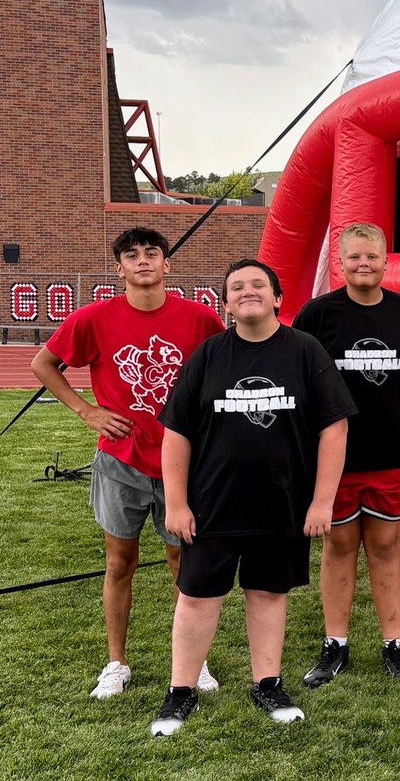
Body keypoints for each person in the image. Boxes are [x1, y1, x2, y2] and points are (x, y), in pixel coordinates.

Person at [149, 259, 355, 736]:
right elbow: (176, 433)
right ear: (225, 303)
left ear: (278, 297)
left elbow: (334, 427)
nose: (248, 292)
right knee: (197, 597)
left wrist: (322, 502)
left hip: (282, 504)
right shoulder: (208, 355)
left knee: (267, 593)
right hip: (212, 505)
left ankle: (267, 683)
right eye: (236, 287)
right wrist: (176, 503)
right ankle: (181, 692)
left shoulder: (305, 352)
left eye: (258, 285)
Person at [31, 227, 225, 700]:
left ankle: (191, 660)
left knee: (183, 560)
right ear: (118, 269)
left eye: (152, 253)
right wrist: (87, 410)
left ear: (167, 264)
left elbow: (227, 366)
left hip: (183, 462)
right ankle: (116, 662)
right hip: (121, 460)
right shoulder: (94, 318)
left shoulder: (198, 318)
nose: (143, 261)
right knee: (120, 561)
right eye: (131, 255)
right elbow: (43, 363)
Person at [292, 223, 400, 688]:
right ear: (341, 261)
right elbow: (303, 383)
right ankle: (335, 644)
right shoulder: (316, 315)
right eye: (354, 257)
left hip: (393, 451)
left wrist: (396, 412)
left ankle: (394, 644)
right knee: (337, 545)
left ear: (385, 260)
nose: (363, 264)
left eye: (371, 256)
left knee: (385, 544)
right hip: (334, 457)